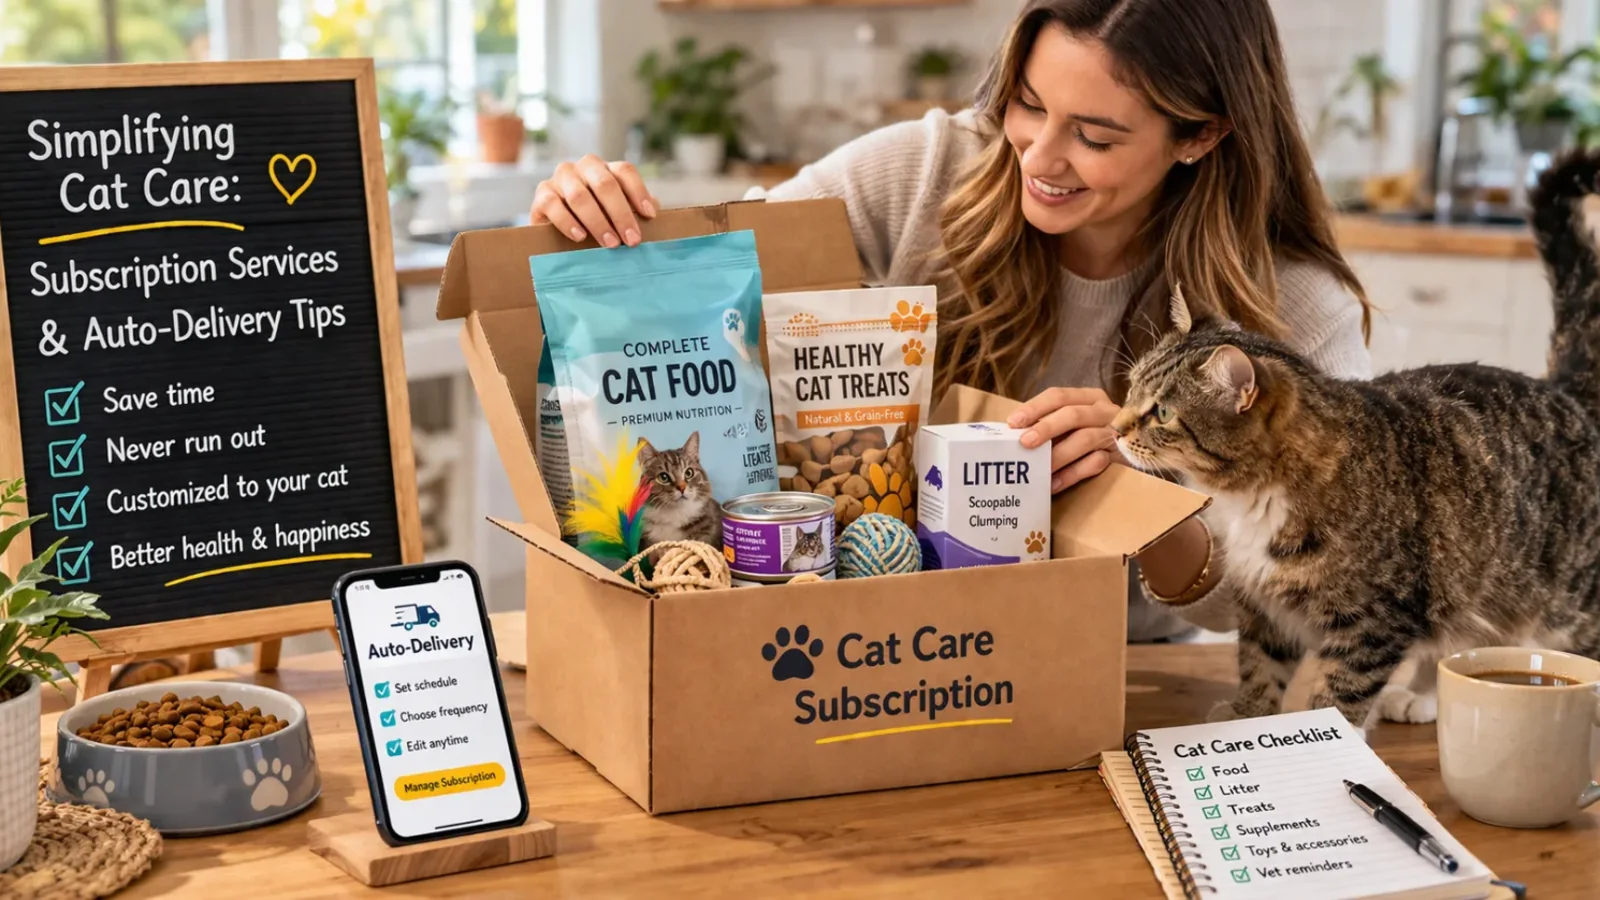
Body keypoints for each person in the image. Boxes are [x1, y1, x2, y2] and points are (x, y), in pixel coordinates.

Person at [527, 0, 1373, 641]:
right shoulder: (924, 170)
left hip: (1115, 675)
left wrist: (1146, 497)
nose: (1037, 158)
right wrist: (594, 224)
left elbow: (1280, 607)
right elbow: (705, 276)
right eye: (1027, 104)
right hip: (868, 650)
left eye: (1096, 136)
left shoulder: (1291, 316)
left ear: (1201, 135)